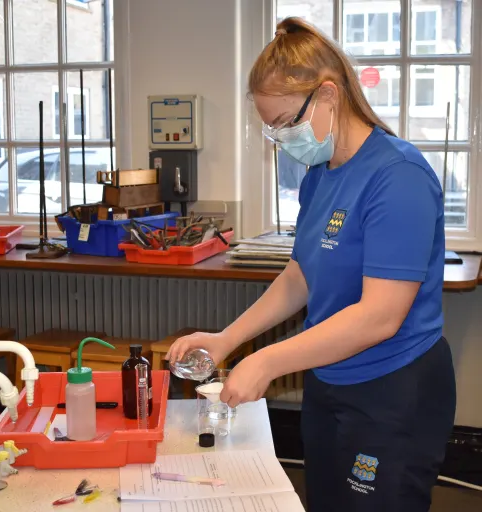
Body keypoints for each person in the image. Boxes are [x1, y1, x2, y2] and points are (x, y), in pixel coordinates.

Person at [166, 17, 456, 512]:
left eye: (285, 124)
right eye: (271, 129)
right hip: (328, 376)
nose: (282, 140)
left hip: (393, 387)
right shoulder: (321, 177)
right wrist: (228, 340)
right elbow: (301, 275)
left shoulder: (398, 175)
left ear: (327, 96)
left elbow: (380, 316)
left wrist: (266, 361)